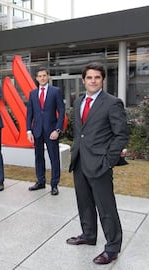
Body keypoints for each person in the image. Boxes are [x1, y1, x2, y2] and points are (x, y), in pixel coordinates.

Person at [66, 62, 128, 265]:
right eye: (89, 78)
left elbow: (121, 135)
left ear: (102, 80)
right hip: (80, 161)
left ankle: (112, 248)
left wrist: (109, 160)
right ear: (83, 80)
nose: (93, 81)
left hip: (100, 163)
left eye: (97, 77)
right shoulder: (78, 101)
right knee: (84, 203)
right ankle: (88, 235)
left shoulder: (112, 103)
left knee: (106, 207)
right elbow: (81, 132)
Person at [26, 68, 65, 196]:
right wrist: (28, 131)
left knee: (54, 158)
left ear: (48, 77)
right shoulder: (32, 93)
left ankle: (54, 185)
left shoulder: (56, 91)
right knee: (38, 157)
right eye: (39, 76)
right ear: (36, 78)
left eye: (44, 75)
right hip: (37, 131)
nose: (42, 78)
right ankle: (40, 181)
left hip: (51, 131)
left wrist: (57, 130)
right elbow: (29, 113)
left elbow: (61, 111)